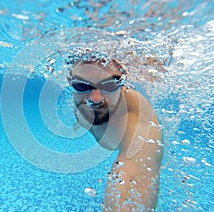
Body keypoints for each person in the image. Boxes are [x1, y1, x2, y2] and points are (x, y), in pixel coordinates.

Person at [67, 55, 163, 211]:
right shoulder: (77, 100)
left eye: (110, 84)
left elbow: (133, 175)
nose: (95, 99)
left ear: (123, 81)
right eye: (81, 85)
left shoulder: (139, 115)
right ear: (70, 81)